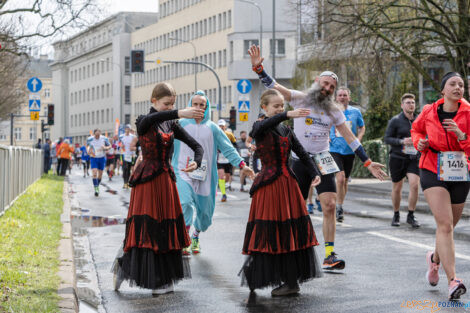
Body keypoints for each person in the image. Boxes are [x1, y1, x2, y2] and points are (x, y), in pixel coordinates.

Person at [248, 44, 386, 271]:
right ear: (317, 83)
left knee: (330, 205)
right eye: (325, 84)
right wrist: (259, 69)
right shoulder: (301, 99)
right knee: (296, 208)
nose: (328, 88)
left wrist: (368, 162)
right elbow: (275, 87)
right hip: (298, 159)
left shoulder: (334, 111)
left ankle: (330, 254)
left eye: (332, 86)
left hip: (323, 158)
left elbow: (351, 138)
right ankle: (293, 250)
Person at [111, 82, 204, 294]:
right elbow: (152, 119)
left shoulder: (171, 124)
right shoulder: (144, 121)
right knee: (148, 229)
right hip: (148, 182)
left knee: (166, 229)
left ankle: (163, 277)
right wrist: (179, 112)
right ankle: (128, 266)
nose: (169, 107)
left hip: (166, 179)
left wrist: (197, 161)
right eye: (166, 104)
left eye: (173, 104)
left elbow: (196, 146)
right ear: (153, 101)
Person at [240, 89, 323, 296]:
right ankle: (268, 277)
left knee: (289, 234)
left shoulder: (286, 130)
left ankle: (291, 281)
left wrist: (314, 173)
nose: (280, 109)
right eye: (275, 106)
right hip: (269, 187)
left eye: (281, 106)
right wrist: (286, 115)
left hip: (288, 185)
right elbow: (260, 128)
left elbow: (302, 153)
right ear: (264, 107)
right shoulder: (259, 126)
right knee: (269, 232)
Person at [172, 91, 255, 255]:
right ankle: (185, 240)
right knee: (185, 203)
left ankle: (195, 235)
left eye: (201, 105)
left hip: (205, 175)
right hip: (182, 171)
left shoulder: (213, 128)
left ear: (206, 107)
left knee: (205, 215)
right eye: (195, 104)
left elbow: (228, 148)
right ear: (190, 105)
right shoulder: (179, 124)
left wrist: (242, 164)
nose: (198, 107)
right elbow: (164, 142)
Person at [411, 72, 470, 300]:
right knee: (444, 225)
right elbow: (416, 130)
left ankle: (434, 260)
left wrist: (461, 134)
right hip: (432, 167)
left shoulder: (468, 112)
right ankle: (453, 280)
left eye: (461, 85)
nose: (458, 87)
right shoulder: (428, 111)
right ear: (443, 90)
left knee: (449, 227)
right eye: (453, 84)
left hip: (460, 171)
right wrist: (420, 142)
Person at [384, 93, 421, 228]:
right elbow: (387, 139)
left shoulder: (419, 119)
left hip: (413, 158)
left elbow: (425, 134)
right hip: (397, 158)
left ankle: (411, 215)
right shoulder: (395, 120)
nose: (411, 105)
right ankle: (396, 214)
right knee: (397, 187)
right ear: (402, 105)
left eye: (412, 102)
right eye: (408, 102)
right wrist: (401, 141)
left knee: (414, 185)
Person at [329, 87, 365, 222]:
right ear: (336, 97)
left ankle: (340, 204)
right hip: (334, 149)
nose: (342, 97)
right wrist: (326, 136)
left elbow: (362, 127)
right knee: (340, 177)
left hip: (350, 150)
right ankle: (338, 207)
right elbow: (323, 125)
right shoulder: (331, 111)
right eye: (340, 95)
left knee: (344, 180)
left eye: (345, 95)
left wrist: (358, 139)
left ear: (349, 97)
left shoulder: (356, 112)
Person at [217, 119, 237, 201]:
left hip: (228, 159)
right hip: (219, 159)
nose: (221, 127)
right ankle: (223, 194)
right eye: (220, 126)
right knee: (221, 176)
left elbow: (236, 145)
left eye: (222, 126)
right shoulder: (215, 135)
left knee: (227, 178)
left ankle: (221, 184)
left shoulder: (230, 134)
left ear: (225, 126)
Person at [87, 129, 111, 196]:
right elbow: (88, 147)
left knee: (100, 175)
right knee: (94, 173)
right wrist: (89, 150)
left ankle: (97, 184)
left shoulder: (104, 138)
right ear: (94, 134)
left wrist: (105, 148)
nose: (97, 136)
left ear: (100, 134)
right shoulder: (90, 139)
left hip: (102, 158)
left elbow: (110, 146)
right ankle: (96, 188)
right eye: (96, 135)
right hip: (93, 158)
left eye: (98, 135)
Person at [120, 125, 137, 189]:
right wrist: (120, 145)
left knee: (129, 169)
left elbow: (136, 144)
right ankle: (125, 182)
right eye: (126, 128)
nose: (127, 130)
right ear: (125, 129)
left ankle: (127, 182)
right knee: (125, 168)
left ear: (130, 129)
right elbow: (118, 144)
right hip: (124, 154)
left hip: (131, 155)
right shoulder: (121, 136)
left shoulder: (133, 136)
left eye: (128, 129)